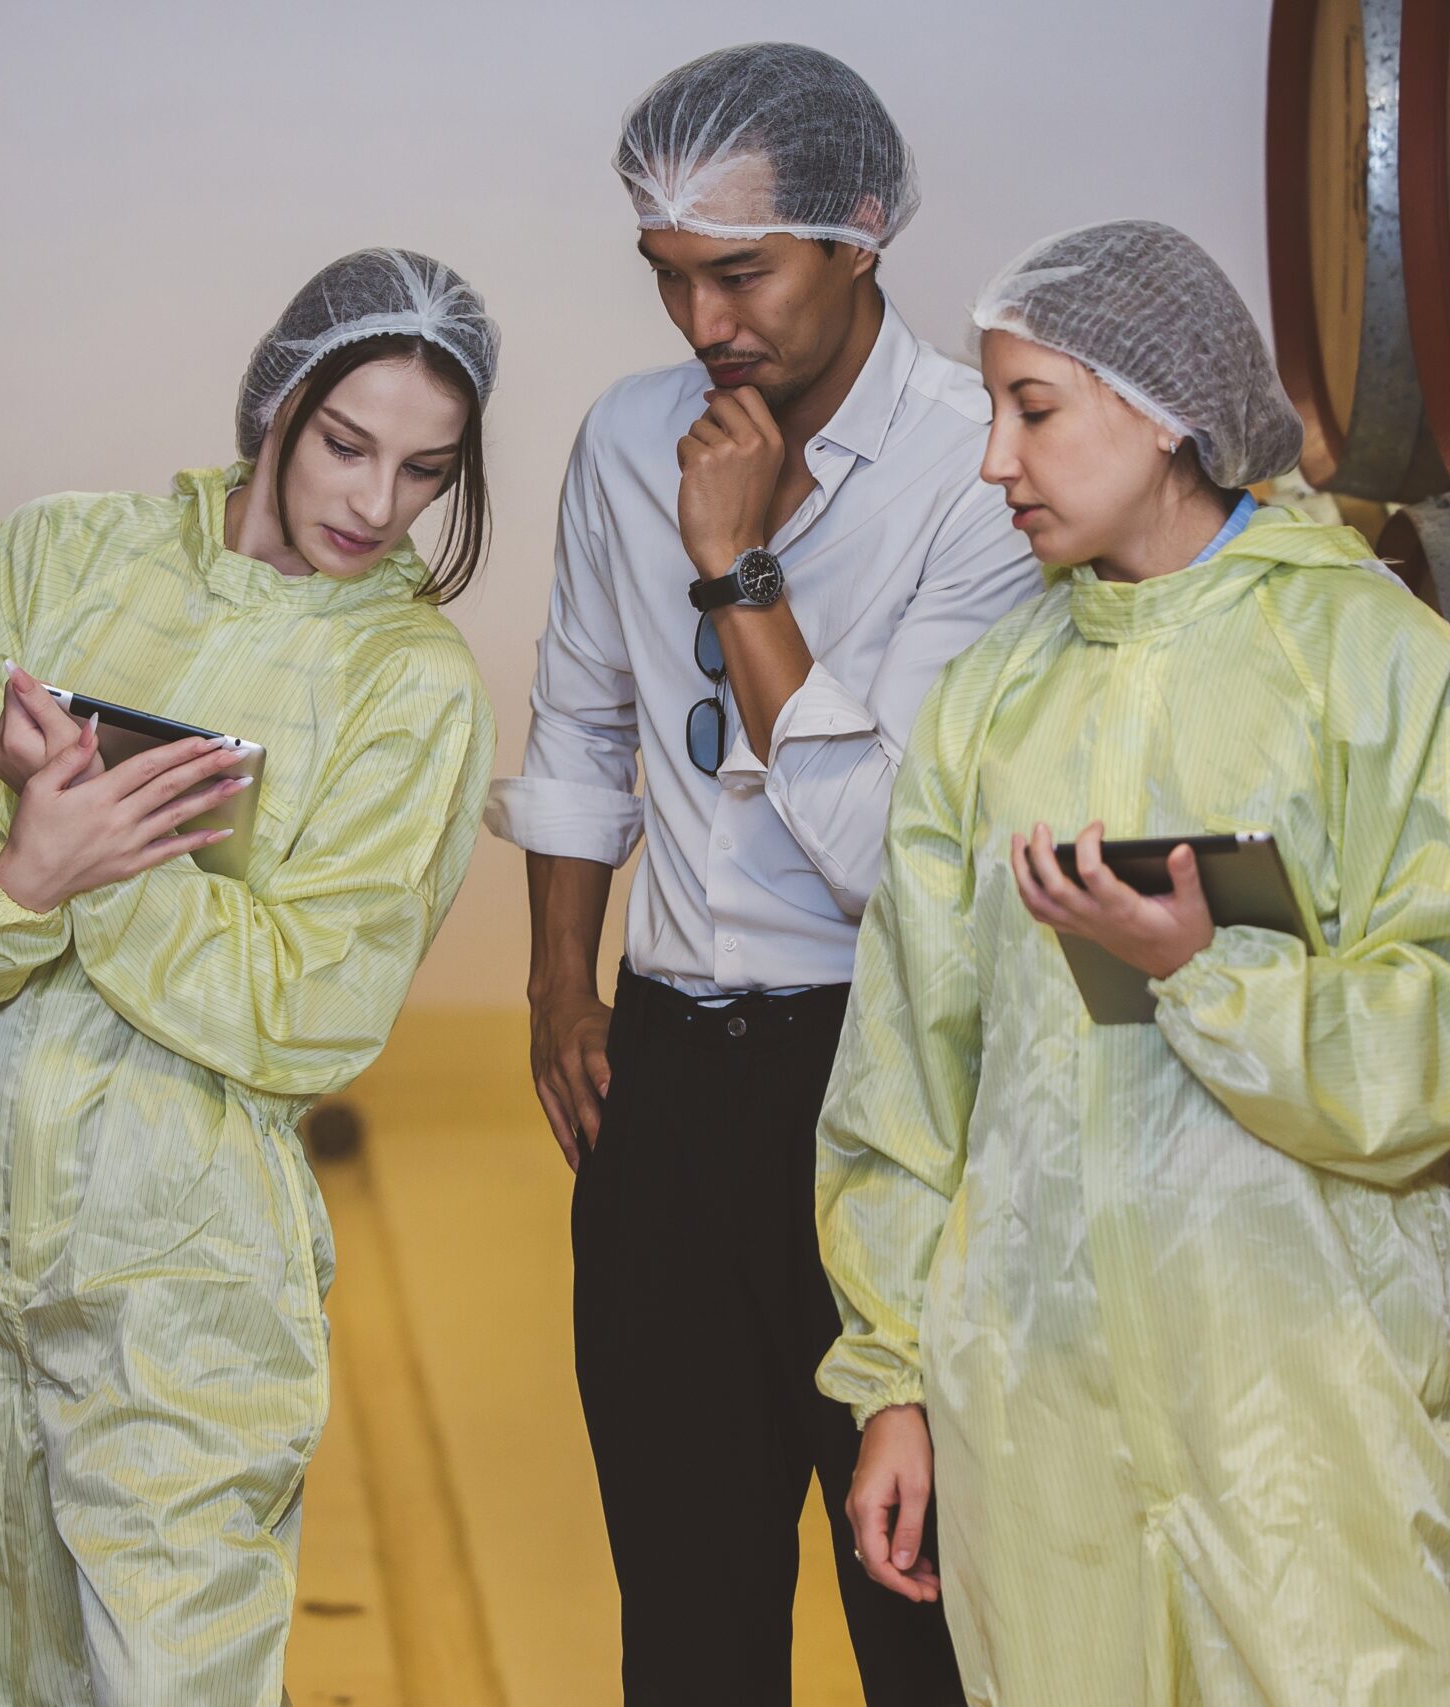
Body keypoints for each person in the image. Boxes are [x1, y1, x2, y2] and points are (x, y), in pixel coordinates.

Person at [818, 218, 1450, 1705]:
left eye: (1034, 410)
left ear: (1165, 412)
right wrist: (893, 1383)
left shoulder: (1368, 657)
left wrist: (1205, 974)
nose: (995, 462)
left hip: (1313, 1406)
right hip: (1042, 1426)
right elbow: (906, 1073)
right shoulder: (989, 703)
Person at [0, 247, 500, 1706]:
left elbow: (313, 1007)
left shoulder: (414, 685)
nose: (376, 504)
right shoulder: (61, 558)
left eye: (425, 472)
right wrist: (17, 879)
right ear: (277, 400)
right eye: (345, 445)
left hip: (184, 1271)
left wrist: (93, 854)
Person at [483, 41, 1036, 1702]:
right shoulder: (625, 436)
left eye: (743, 272)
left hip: (883, 1079)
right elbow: (582, 724)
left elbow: (885, 855)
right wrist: (558, 985)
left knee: (921, 1626)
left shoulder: (978, 468)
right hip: (662, 1083)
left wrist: (735, 566)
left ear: (863, 229)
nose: (703, 319)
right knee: (688, 1618)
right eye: (670, 275)